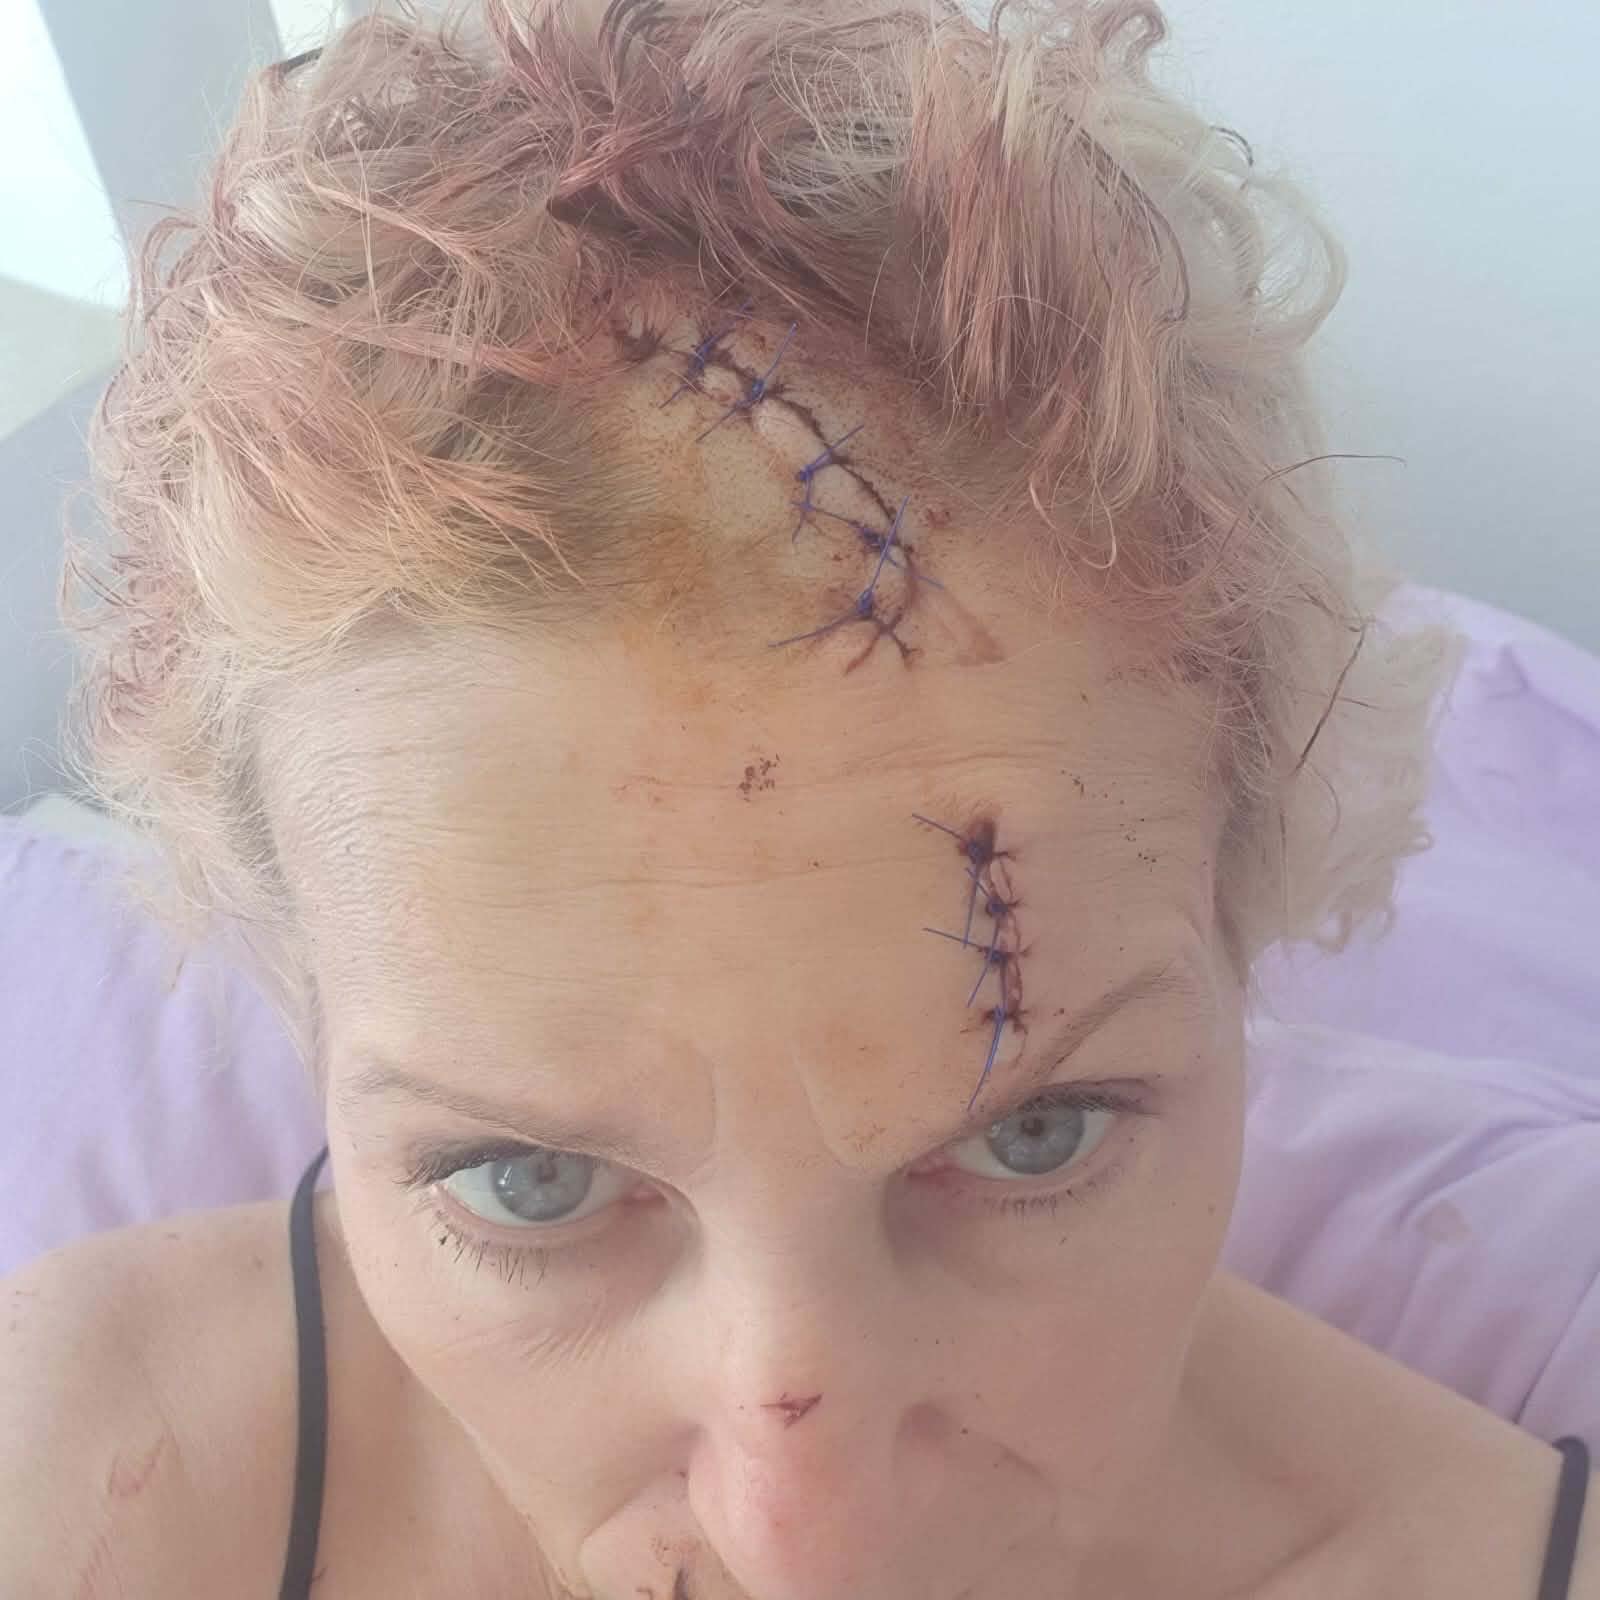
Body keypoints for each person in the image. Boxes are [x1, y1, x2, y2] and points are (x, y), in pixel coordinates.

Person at [1, 0, 1593, 1594]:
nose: (807, 1546)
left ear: (1246, 948)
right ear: (303, 1011)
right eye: (531, 1183)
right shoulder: (99, 1473)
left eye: (1036, 1138)